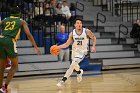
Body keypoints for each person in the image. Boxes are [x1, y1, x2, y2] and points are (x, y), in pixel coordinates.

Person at [0, 6, 41, 93]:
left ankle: (0, 87)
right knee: (15, 66)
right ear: (19, 14)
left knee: (1, 68)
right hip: (10, 41)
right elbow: (28, 34)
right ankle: (4, 87)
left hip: (1, 39)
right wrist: (35, 46)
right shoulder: (21, 21)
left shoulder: (4, 20)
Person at [56, 18, 96, 87]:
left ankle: (63, 80)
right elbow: (66, 44)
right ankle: (79, 72)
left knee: (72, 65)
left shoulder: (86, 31)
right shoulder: (72, 33)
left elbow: (94, 38)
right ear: (75, 25)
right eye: (77, 23)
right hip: (74, 50)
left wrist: (93, 46)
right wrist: (58, 47)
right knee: (74, 65)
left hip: (82, 51)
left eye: (80, 23)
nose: (79, 24)